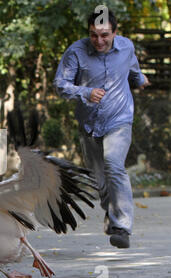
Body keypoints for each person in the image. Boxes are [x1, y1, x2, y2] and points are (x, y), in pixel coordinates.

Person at [53, 9, 150, 249]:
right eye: (94, 35)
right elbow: (60, 85)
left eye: (105, 35)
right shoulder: (76, 52)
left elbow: (133, 68)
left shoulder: (126, 47)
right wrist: (85, 92)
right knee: (101, 182)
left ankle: (122, 226)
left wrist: (139, 80)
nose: (99, 41)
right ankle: (112, 212)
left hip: (119, 119)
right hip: (89, 125)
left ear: (115, 33)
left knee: (114, 165)